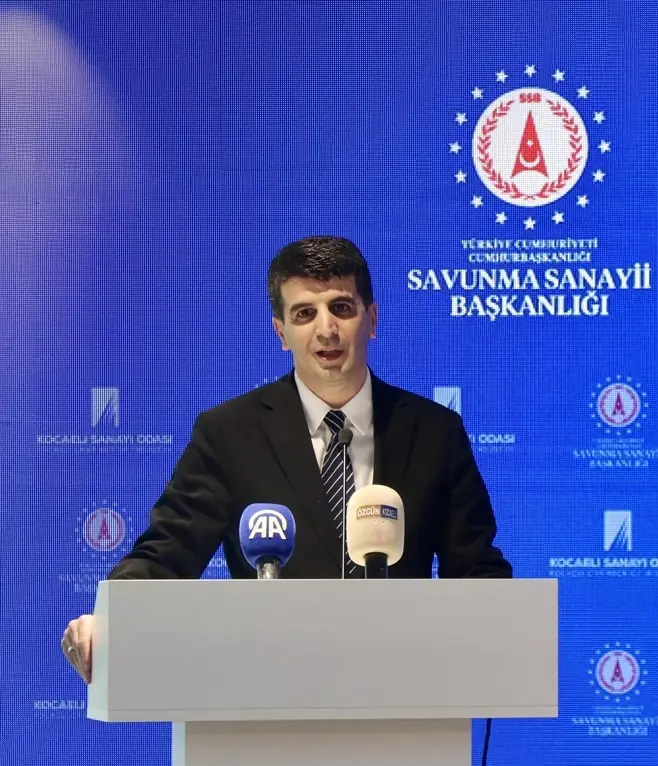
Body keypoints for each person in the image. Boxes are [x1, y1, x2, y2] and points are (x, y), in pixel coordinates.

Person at [61, 235, 512, 682]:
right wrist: (114, 617)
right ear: (282, 332)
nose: (326, 330)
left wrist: (507, 626)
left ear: (372, 320)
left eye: (341, 307)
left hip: (406, 685)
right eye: (304, 314)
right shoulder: (231, 433)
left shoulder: (434, 431)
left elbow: (475, 567)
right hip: (270, 686)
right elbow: (167, 552)